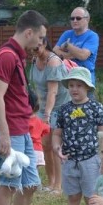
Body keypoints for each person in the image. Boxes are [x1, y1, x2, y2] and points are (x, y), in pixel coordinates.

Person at [0, 10, 48, 205]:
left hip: (22, 128)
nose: (41, 43)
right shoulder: (6, 56)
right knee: (9, 185)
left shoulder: (18, 56)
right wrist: (3, 134)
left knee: (30, 184)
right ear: (29, 32)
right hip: (9, 131)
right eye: (41, 37)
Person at [52, 66, 103, 205]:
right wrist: (57, 147)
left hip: (91, 160)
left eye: (79, 85)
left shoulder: (96, 107)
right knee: (73, 197)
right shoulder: (64, 110)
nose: (74, 89)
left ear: (87, 88)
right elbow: (57, 134)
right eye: (71, 85)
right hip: (69, 160)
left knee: (91, 198)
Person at [31, 36, 69, 192]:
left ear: (45, 44)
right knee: (44, 145)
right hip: (42, 107)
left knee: (55, 146)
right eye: (31, 48)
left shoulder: (53, 62)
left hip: (58, 107)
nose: (33, 52)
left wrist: (46, 116)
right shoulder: (34, 61)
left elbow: (53, 91)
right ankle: (50, 181)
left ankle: (58, 186)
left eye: (37, 48)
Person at [53, 7, 100, 86]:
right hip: (67, 80)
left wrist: (67, 45)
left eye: (78, 18)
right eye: (72, 18)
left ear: (87, 19)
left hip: (85, 81)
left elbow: (82, 56)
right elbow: (54, 51)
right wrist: (70, 55)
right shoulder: (67, 34)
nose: (74, 21)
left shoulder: (92, 36)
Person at [27, 91, 50, 187]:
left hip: (31, 149)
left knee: (30, 170)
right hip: (39, 149)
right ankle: (36, 184)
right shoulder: (38, 121)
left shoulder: (26, 122)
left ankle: (35, 185)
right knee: (34, 169)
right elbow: (47, 129)